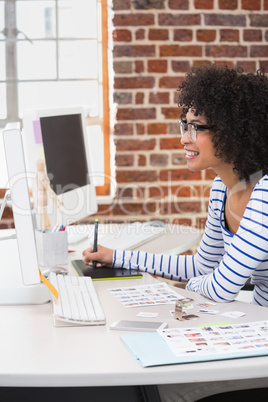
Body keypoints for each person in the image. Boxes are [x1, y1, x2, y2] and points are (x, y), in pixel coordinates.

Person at [83, 64, 268, 308]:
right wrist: (117, 257)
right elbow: (202, 267)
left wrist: (185, 288)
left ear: (233, 131)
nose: (184, 138)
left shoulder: (265, 192)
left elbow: (222, 289)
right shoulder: (221, 189)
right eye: (185, 125)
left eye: (196, 127)